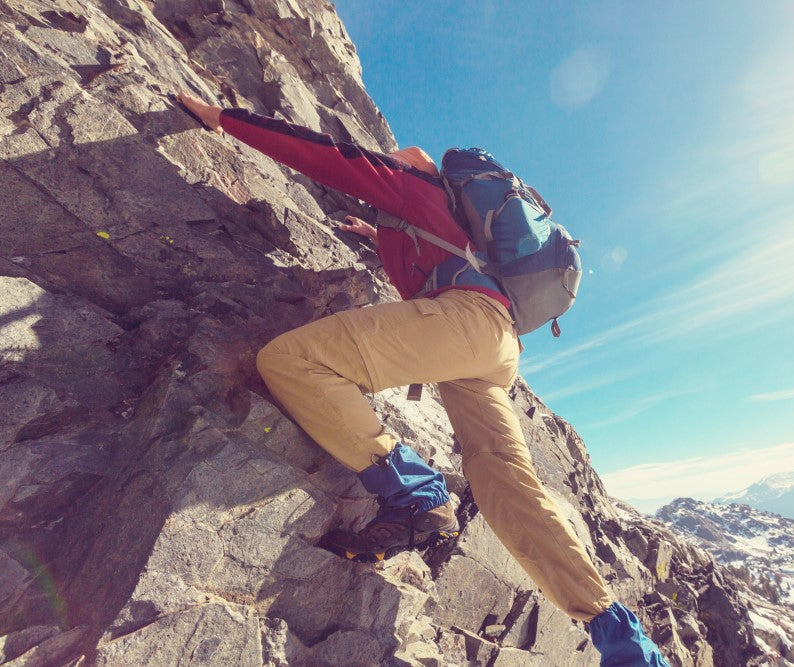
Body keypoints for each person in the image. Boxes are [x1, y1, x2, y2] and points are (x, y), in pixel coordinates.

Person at [177, 91, 668, 666]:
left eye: (399, 160)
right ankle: (623, 640)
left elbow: (326, 155)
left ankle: (415, 493)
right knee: (507, 486)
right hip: (496, 349)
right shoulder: (439, 227)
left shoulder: (418, 184)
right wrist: (373, 232)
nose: (391, 161)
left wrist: (224, 119)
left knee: (293, 361)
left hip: (465, 324)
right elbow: (435, 256)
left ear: (420, 169)